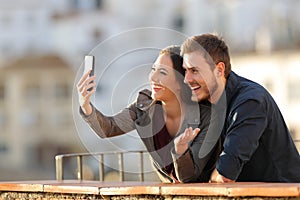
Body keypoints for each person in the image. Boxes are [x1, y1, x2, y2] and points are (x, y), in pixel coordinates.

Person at [77, 45, 221, 183]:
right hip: (166, 190)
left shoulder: (206, 117)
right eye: (153, 70)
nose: (153, 78)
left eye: (162, 72)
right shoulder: (144, 108)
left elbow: (189, 178)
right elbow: (107, 128)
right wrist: (85, 104)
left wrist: (180, 151)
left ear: (181, 82)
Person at [181, 33, 300, 183]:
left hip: (284, 194)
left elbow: (225, 174)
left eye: (194, 71)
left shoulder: (250, 101)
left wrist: (212, 175)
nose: (187, 79)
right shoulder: (205, 106)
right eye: (185, 70)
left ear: (219, 69)